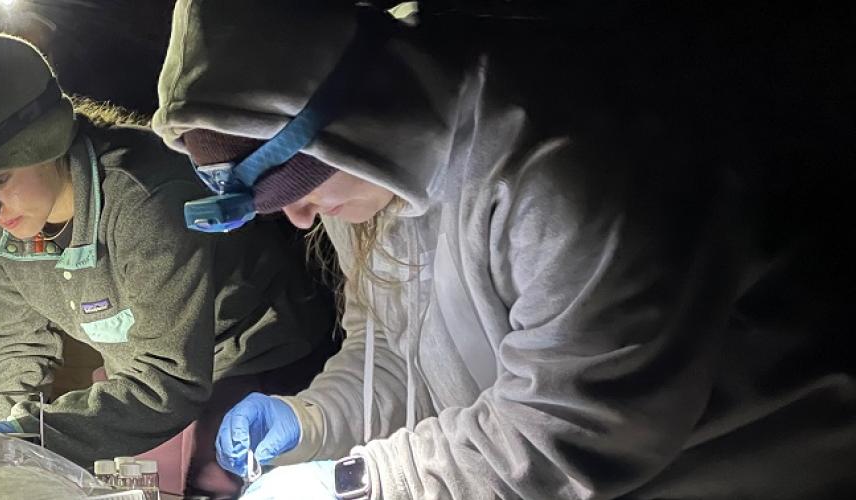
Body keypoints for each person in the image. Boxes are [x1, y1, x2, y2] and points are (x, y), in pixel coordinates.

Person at [152, 1, 856, 498]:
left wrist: (356, 483)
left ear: (359, 124)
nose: (302, 220)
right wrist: (310, 421)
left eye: (301, 188)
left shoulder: (570, 170)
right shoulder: (369, 184)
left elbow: (568, 433)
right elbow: (394, 350)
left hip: (752, 467)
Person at [0, 34, 337, 496]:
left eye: (0, 178)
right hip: (146, 377)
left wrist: (24, 439)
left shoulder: (147, 196)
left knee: (215, 484)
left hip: (261, 359)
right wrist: (4, 460)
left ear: (50, 145)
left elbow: (169, 380)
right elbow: (16, 347)